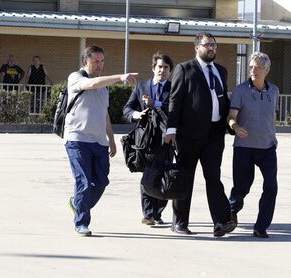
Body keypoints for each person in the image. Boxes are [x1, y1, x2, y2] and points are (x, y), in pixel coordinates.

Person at [164, 32, 235, 237]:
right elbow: (175, 101)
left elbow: (222, 99)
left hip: (214, 134)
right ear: (197, 47)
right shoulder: (184, 69)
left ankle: (221, 222)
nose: (211, 48)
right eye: (207, 45)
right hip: (189, 135)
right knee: (185, 178)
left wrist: (230, 124)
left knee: (214, 177)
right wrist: (171, 129)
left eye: (214, 45)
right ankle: (179, 222)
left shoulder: (221, 71)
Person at [65, 45, 137, 236]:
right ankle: (81, 222)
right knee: (85, 182)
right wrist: (120, 77)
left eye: (102, 61)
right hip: (77, 139)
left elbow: (103, 113)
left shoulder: (104, 86)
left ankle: (77, 203)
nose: (99, 65)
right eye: (95, 61)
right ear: (85, 61)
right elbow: (91, 84)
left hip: (99, 142)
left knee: (102, 182)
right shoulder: (75, 78)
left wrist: (111, 139)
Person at [227, 51, 279, 238]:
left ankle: (261, 226)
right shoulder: (241, 90)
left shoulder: (274, 91)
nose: (253, 70)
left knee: (271, 186)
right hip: (244, 147)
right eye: (251, 67)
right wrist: (235, 126)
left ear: (267, 70)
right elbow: (231, 116)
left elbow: (273, 116)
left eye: (257, 67)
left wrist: (273, 135)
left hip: (267, 148)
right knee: (242, 187)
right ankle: (230, 215)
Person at [123, 52, 174, 226]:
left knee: (165, 175)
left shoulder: (174, 88)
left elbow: (176, 109)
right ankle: (148, 213)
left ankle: (158, 211)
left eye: (166, 67)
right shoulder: (141, 87)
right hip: (145, 139)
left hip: (166, 139)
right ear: (153, 68)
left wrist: (156, 104)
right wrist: (137, 114)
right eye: (159, 67)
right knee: (147, 174)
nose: (162, 70)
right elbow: (127, 109)